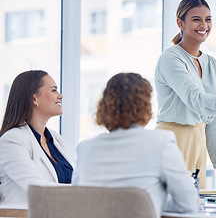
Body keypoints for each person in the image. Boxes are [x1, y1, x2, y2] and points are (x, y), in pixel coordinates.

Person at [154, 0, 216, 189]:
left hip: (197, 141)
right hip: (172, 140)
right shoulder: (170, 59)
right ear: (180, 23)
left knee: (193, 206)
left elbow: (214, 116)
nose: (204, 25)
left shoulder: (211, 63)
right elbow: (196, 100)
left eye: (208, 19)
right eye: (196, 19)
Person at [72, 73, 199, 218]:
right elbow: (188, 204)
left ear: (104, 105)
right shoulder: (161, 142)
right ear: (145, 106)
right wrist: (157, 199)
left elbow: (79, 201)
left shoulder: (86, 148)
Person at [0, 70, 73, 205]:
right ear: (34, 99)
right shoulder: (12, 141)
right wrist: (87, 191)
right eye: (54, 90)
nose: (60, 96)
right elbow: (37, 189)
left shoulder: (56, 140)